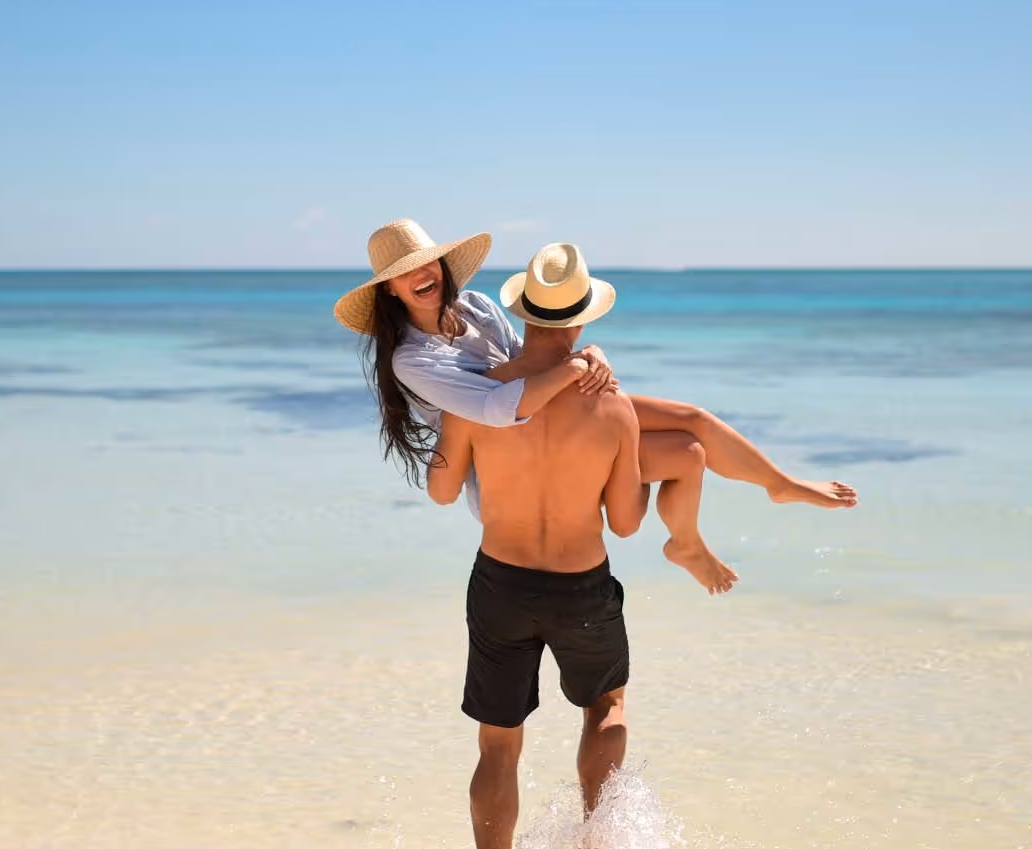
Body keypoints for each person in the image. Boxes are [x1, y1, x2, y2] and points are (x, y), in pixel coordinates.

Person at [334, 219, 855, 596]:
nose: (423, 275)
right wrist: (580, 367)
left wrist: (586, 356)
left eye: (428, 263)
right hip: (498, 450)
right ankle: (688, 543)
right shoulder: (412, 358)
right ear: (390, 291)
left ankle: (775, 487)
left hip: (540, 409)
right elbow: (493, 407)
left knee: (692, 429)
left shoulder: (475, 307)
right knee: (682, 453)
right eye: (407, 273)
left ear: (443, 265)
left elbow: (521, 360)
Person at [424, 243, 645, 849]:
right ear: (582, 322)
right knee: (605, 707)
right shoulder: (614, 406)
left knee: (498, 746)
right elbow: (628, 522)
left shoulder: (478, 397)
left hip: (502, 582)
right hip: (582, 585)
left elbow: (442, 492)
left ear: (523, 315)